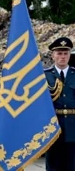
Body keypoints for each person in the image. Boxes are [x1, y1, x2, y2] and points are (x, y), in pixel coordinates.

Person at [44, 37, 75, 171]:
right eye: (59, 53)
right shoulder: (44, 76)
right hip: (52, 127)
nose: (62, 57)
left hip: (73, 127)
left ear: (69, 55)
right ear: (53, 55)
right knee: (53, 165)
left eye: (65, 53)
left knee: (72, 166)